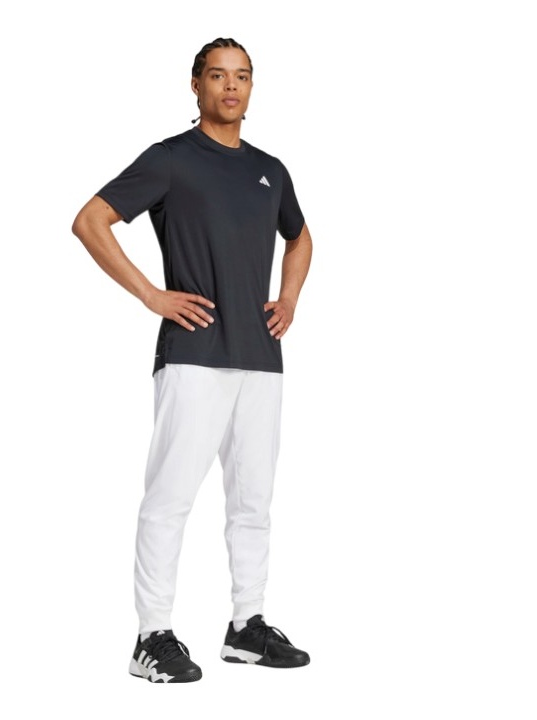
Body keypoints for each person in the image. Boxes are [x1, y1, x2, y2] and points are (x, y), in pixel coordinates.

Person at [72, 37, 313, 683]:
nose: (230, 86)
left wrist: (288, 298)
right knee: (170, 497)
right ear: (196, 84)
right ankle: (151, 637)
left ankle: (247, 628)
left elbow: (300, 237)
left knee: (253, 501)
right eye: (218, 75)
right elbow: (91, 220)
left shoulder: (271, 170)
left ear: (251, 87)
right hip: (195, 352)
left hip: (260, 356)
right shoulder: (171, 159)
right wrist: (152, 294)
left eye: (242, 76)